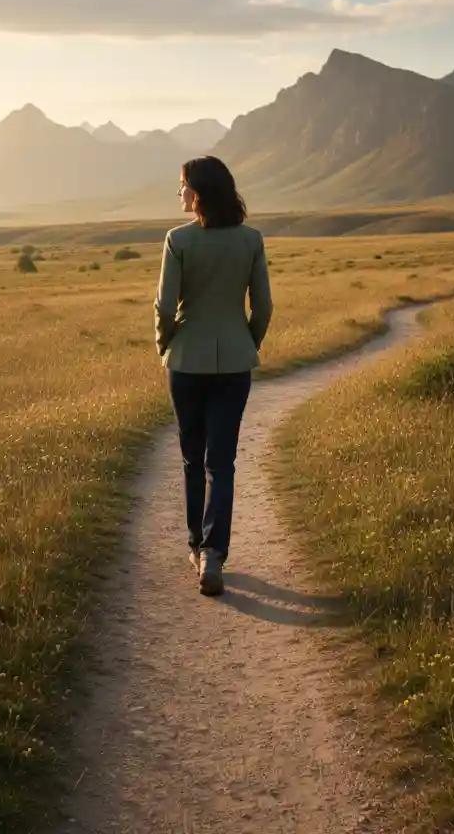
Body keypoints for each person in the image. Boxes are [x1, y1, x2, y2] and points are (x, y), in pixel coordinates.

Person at [153, 156, 273, 596]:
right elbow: (262, 308)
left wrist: (165, 342)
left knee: (192, 459)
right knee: (221, 463)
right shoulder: (251, 240)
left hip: (186, 363)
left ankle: (195, 544)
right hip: (234, 365)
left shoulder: (177, 240)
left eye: (182, 185)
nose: (179, 192)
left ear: (198, 192)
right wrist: (248, 344)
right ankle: (213, 555)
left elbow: (165, 307)